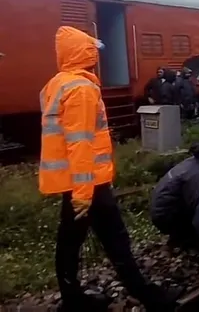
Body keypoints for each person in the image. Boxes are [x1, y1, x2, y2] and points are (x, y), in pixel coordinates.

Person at [39, 26, 180, 312]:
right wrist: (83, 193)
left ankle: (73, 300)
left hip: (77, 183)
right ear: (84, 53)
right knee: (115, 242)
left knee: (69, 243)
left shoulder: (57, 83)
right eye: (91, 51)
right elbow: (80, 144)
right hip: (89, 185)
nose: (95, 56)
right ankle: (153, 299)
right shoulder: (81, 89)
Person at [150, 133, 199, 248]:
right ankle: (185, 238)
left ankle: (179, 237)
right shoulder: (198, 173)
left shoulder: (192, 162)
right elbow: (196, 204)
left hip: (160, 210)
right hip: (165, 216)